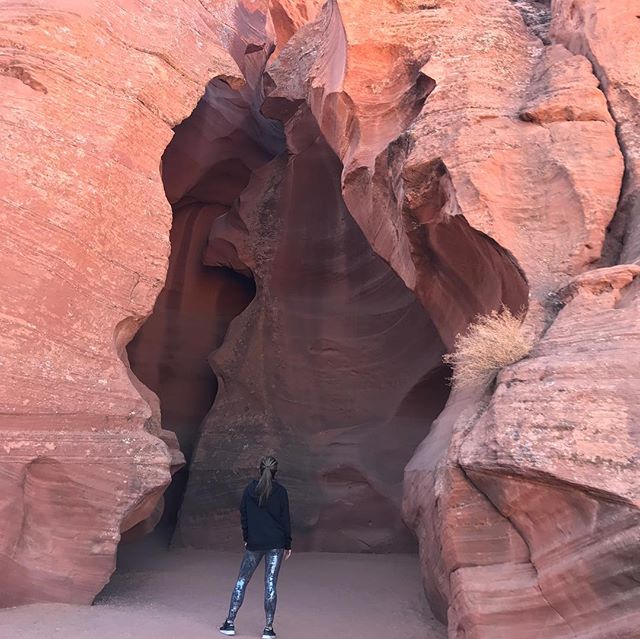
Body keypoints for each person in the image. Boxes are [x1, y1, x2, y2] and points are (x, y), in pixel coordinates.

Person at [219, 455, 292, 639]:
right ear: (275, 472)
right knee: (270, 585)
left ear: (259, 469)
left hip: (254, 543)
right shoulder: (281, 492)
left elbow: (243, 516)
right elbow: (285, 520)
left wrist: (247, 538)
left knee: (242, 581)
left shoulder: (250, 490)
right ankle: (268, 629)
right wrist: (288, 544)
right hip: (276, 543)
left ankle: (229, 623)